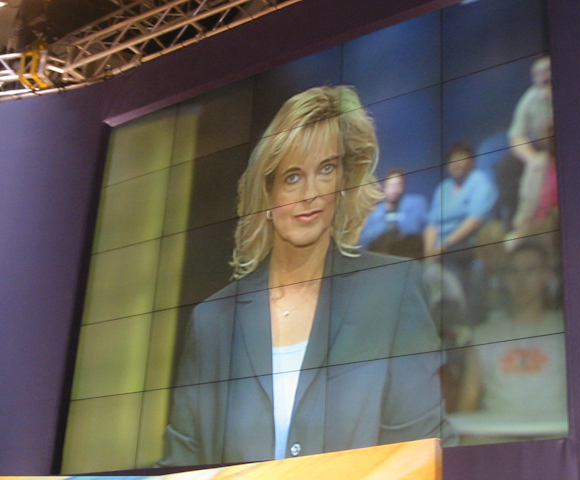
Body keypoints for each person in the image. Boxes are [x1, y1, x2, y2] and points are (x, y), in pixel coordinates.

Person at [158, 86, 455, 468]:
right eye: (292, 176)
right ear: (267, 193)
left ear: (344, 180)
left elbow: (424, 455)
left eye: (326, 169)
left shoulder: (391, 291)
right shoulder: (213, 321)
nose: (310, 194)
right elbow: (181, 465)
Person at [456, 241, 566, 421]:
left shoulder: (565, 330)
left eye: (530, 270)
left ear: (546, 276)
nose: (521, 280)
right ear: (505, 279)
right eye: (514, 271)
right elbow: (467, 402)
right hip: (497, 433)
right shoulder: (483, 335)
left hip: (554, 433)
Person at [424, 143, 497, 261]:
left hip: (464, 244)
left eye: (460, 158)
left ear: (472, 162)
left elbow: (475, 220)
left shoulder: (479, 181)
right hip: (438, 249)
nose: (455, 163)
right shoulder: (443, 187)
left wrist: (443, 247)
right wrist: (429, 252)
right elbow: (432, 224)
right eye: (452, 160)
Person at [507, 56, 554, 231]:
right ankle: (521, 225)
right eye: (538, 74)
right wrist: (532, 159)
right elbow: (516, 137)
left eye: (547, 71)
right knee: (514, 166)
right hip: (541, 149)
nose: (544, 77)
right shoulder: (529, 99)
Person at [359, 168, 429, 257]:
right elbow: (365, 238)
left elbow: (417, 229)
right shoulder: (375, 212)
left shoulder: (415, 203)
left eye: (398, 185)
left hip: (408, 254)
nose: (394, 189)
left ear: (403, 186)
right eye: (391, 185)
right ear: (384, 187)